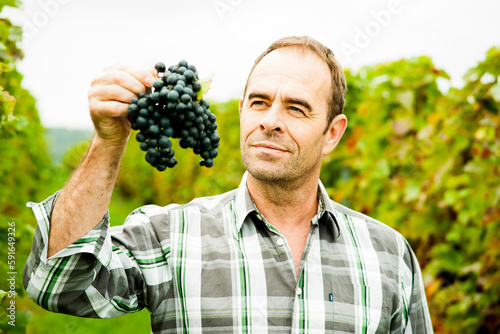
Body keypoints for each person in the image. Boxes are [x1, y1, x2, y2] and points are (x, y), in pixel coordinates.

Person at [24, 36, 433, 333]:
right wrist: (109, 142)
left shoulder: (389, 255)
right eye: (259, 102)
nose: (270, 120)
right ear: (241, 111)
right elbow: (55, 283)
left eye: (296, 107)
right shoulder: (170, 236)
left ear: (332, 133)